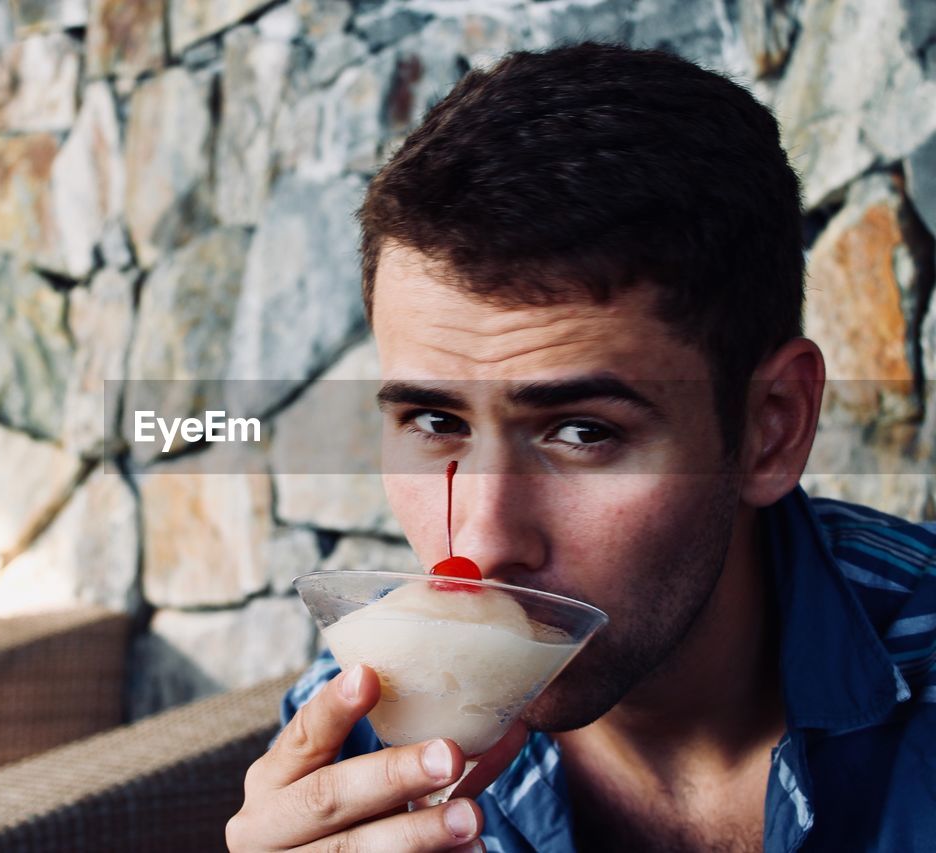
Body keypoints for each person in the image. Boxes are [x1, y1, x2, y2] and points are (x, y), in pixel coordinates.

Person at [225, 41, 936, 852]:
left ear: (771, 427)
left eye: (582, 431)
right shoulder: (358, 733)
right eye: (434, 421)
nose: (485, 544)